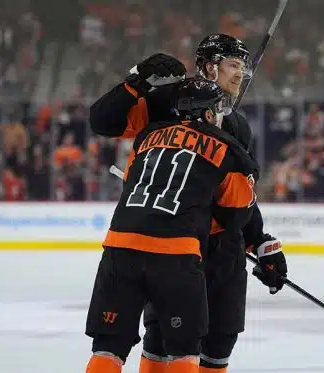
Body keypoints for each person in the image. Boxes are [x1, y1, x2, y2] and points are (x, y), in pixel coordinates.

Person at [89, 35, 288, 373]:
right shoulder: (166, 100)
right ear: (211, 66)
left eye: (243, 67)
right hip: (178, 248)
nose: (241, 74)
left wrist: (260, 240)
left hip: (215, 251)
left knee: (216, 344)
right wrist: (135, 80)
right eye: (234, 65)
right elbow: (103, 121)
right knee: (167, 344)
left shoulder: (236, 124)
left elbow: (235, 192)